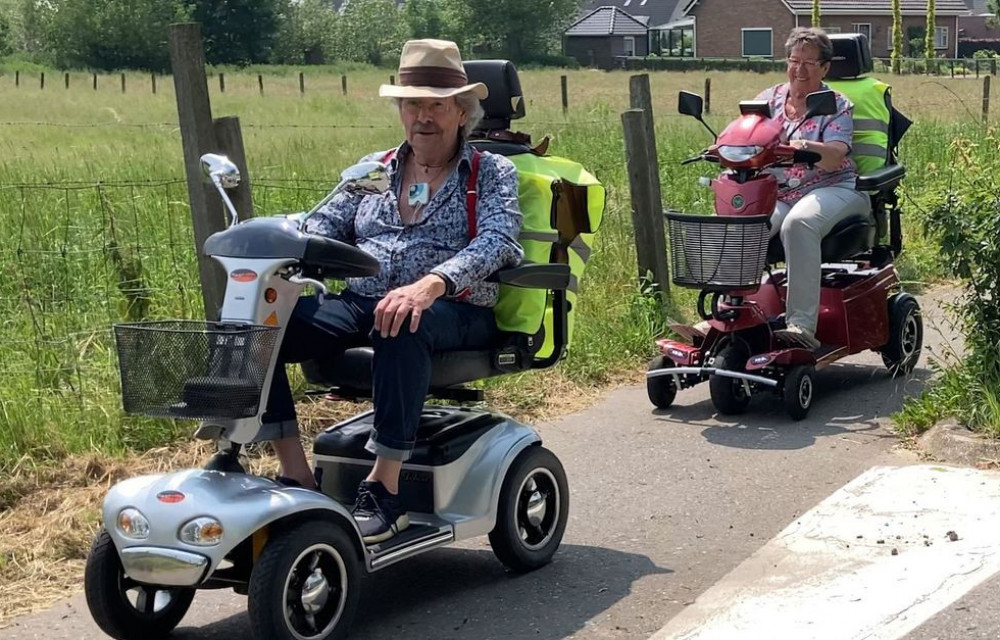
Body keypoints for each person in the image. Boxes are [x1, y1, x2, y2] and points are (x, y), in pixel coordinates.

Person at [258, 39, 523, 544]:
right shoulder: (373, 170)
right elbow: (317, 225)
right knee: (262, 330)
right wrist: (266, 237)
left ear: (461, 111)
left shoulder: (491, 172)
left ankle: (386, 488)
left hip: (453, 307)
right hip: (366, 298)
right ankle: (296, 473)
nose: (423, 116)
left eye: (436, 105)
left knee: (401, 319)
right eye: (412, 103)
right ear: (400, 109)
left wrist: (430, 284)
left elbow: (499, 240)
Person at [756, 27, 871, 350]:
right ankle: (733, 314)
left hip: (835, 186)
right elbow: (746, 133)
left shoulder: (836, 104)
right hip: (781, 192)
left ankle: (801, 325)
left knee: (799, 224)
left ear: (825, 68)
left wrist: (804, 145)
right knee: (745, 225)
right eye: (794, 60)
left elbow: (834, 157)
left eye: (809, 63)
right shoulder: (768, 100)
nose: (800, 69)